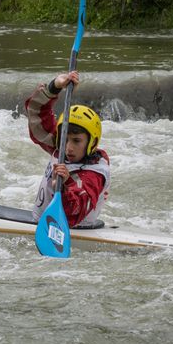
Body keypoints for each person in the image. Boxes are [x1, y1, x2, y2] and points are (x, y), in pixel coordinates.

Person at [24, 71, 110, 228]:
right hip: (43, 221)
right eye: (65, 139)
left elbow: (74, 213)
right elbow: (37, 114)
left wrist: (65, 185)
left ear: (92, 143)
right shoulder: (60, 146)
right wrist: (54, 87)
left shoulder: (94, 175)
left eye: (77, 141)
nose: (68, 148)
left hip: (73, 229)